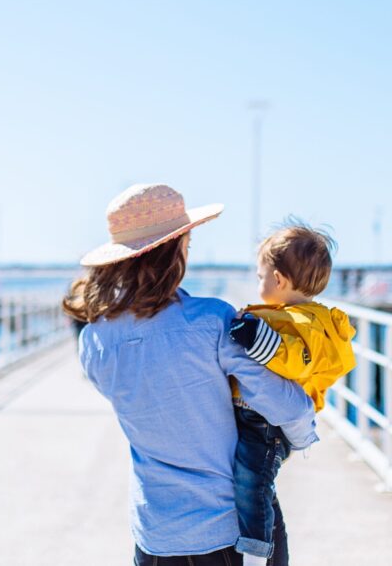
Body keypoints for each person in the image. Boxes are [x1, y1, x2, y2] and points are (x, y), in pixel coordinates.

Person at [64, 184, 317, 566]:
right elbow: (287, 406)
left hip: (155, 534)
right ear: (173, 249)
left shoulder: (94, 342)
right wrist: (295, 442)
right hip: (230, 531)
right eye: (187, 241)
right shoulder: (211, 320)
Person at [227, 223, 357, 564]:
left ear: (279, 280)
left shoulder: (304, 324)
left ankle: (255, 556)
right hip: (257, 417)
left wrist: (254, 337)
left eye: (260, 276)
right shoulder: (291, 316)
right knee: (255, 487)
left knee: (251, 485)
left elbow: (293, 359)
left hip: (266, 425)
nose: (259, 284)